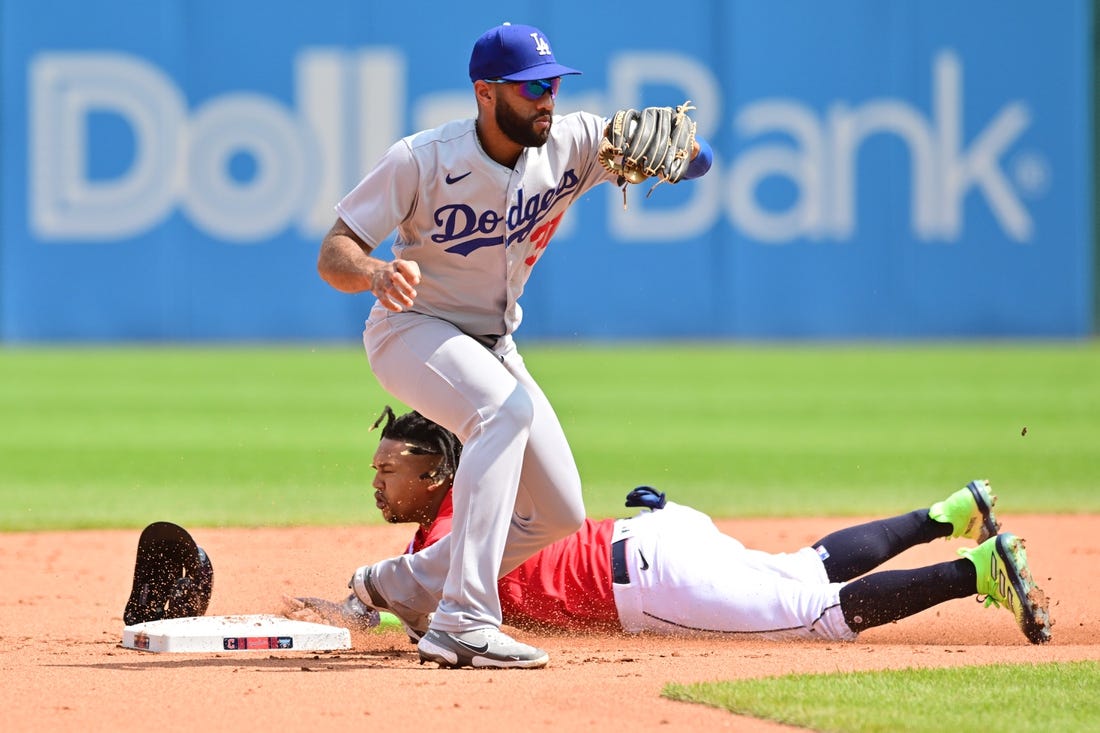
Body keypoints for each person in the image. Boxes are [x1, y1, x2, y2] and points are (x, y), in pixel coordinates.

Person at [314, 21, 714, 670]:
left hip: (495, 343)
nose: (546, 100)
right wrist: (375, 274)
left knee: (558, 511)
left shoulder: (577, 141)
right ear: (485, 92)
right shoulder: (422, 158)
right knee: (503, 411)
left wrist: (685, 154)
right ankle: (463, 621)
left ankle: (400, 587)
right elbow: (335, 251)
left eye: (552, 84)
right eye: (530, 89)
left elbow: (697, 159)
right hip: (411, 327)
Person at [285, 408, 1054, 652]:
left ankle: (978, 569)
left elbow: (420, 603)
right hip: (656, 533)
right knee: (806, 567)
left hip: (648, 583)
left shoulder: (446, 536)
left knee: (817, 616)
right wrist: (359, 598)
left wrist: (356, 599)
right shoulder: (474, 502)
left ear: (435, 478)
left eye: (390, 470)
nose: (377, 482)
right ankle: (951, 512)